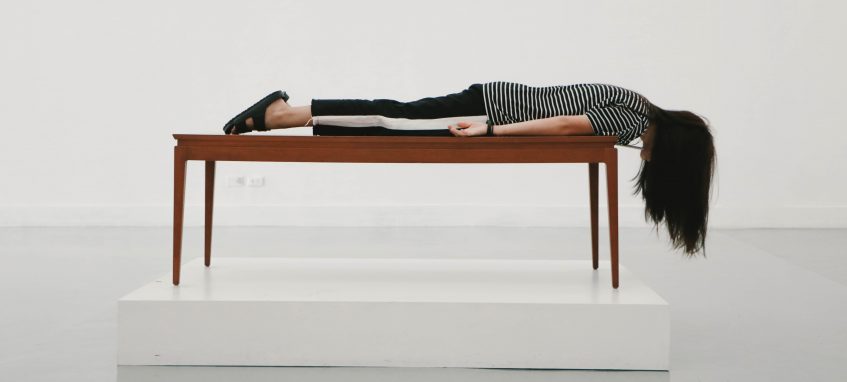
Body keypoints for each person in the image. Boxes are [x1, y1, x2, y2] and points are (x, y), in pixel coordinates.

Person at [223, 82, 716, 256]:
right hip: (491, 112)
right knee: (390, 119)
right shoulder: (633, 117)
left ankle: (286, 112)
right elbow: (568, 124)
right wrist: (491, 131)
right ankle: (281, 115)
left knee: (393, 116)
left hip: (494, 103)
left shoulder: (637, 108)